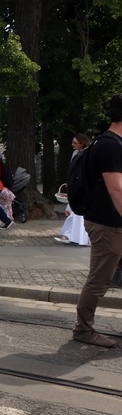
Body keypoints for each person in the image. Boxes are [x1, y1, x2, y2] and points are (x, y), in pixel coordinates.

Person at [73, 94, 122, 348]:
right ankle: (83, 330)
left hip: (114, 222)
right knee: (99, 280)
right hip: (107, 225)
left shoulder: (114, 143)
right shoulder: (110, 145)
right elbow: (116, 190)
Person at [56, 134, 91, 245]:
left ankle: (72, 235)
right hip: (76, 187)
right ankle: (71, 235)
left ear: (82, 143)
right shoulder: (77, 153)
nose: (72, 145)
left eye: (75, 143)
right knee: (73, 214)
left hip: (81, 189)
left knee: (76, 215)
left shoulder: (86, 154)